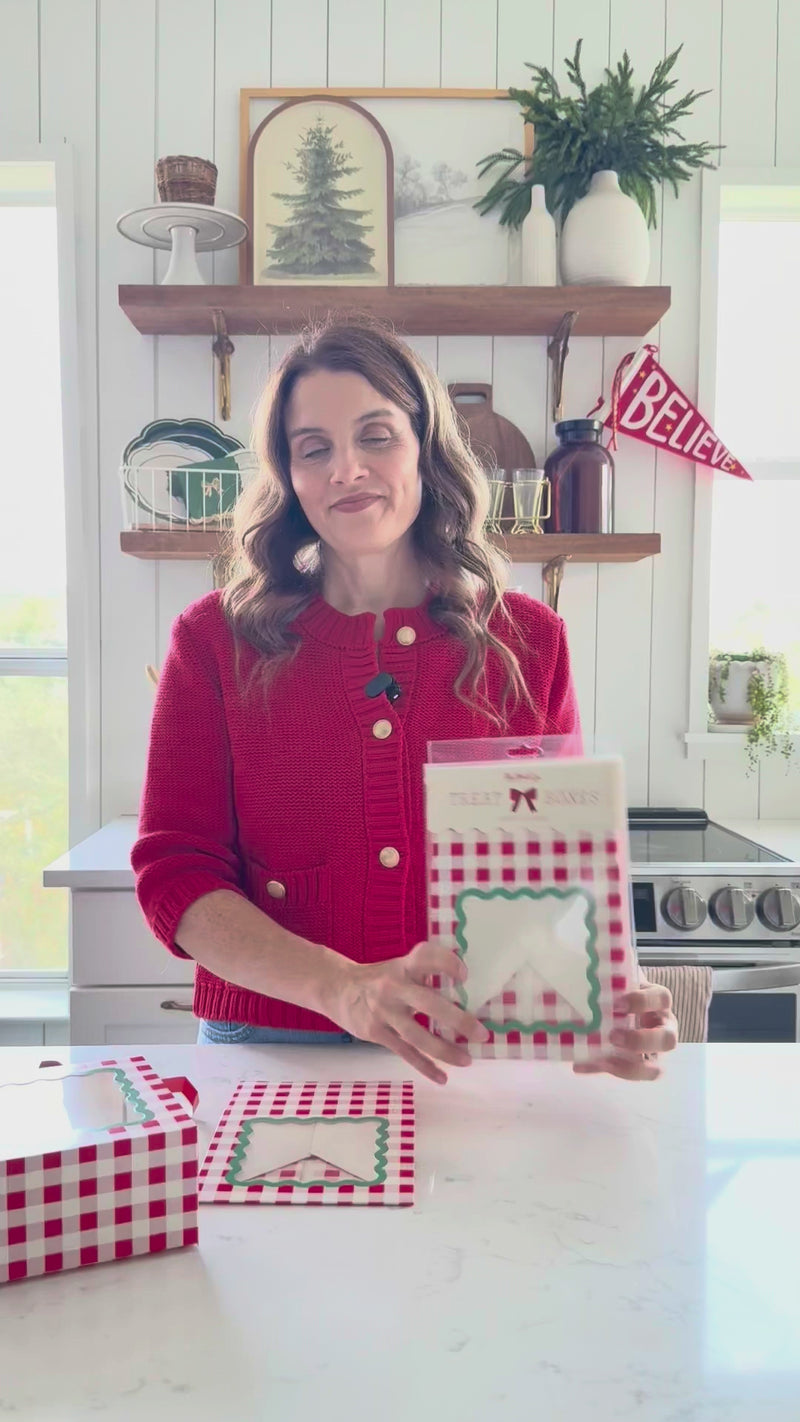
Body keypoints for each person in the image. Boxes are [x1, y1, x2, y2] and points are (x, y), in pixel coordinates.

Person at [132, 317, 677, 1085]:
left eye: (376, 435)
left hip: (468, 1051)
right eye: (313, 447)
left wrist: (601, 1001)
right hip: (266, 1047)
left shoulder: (528, 642)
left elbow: (560, 866)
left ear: (425, 447)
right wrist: (341, 988)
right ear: (289, 476)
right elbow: (175, 874)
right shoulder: (213, 643)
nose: (347, 469)